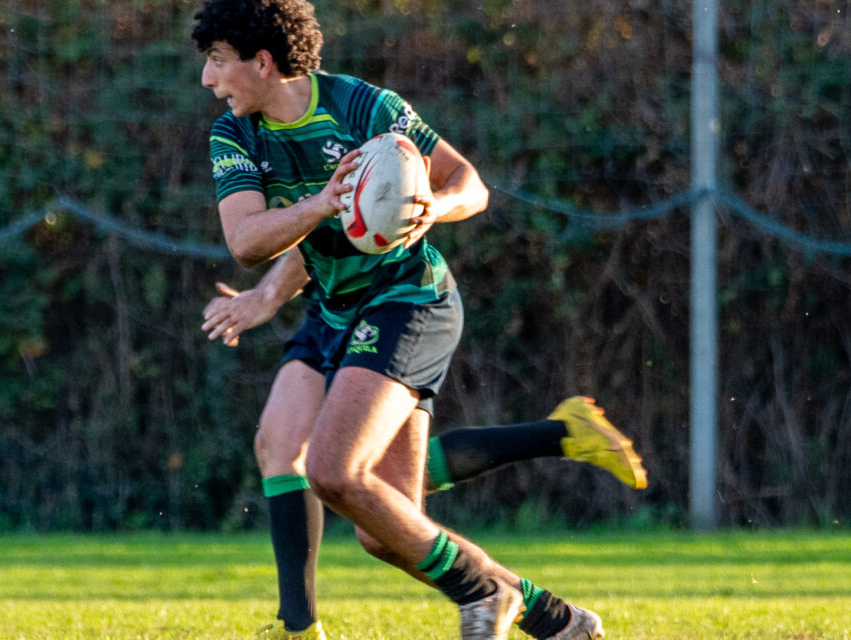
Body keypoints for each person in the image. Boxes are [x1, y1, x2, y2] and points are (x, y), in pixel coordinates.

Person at [192, 1, 643, 637]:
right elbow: (245, 240)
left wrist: (434, 203)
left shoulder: (363, 108)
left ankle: (472, 593)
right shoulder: (234, 134)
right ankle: (554, 617)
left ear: (262, 62)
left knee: (331, 471)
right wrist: (317, 215)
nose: (208, 80)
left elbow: (469, 183)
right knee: (386, 529)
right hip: (338, 310)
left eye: (216, 61)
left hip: (411, 301)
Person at [202, 252, 646, 640]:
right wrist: (264, 293)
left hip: (392, 304)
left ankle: (557, 448)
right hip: (328, 309)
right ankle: (298, 625)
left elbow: (463, 185)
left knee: (374, 510)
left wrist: (266, 293)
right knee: (283, 447)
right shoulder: (258, 155)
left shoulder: (373, 154)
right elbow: (297, 229)